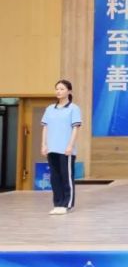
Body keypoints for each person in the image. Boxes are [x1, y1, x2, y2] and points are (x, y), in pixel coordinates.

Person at [40, 80, 81, 215]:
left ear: (69, 91)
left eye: (62, 89)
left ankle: (66, 204)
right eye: (57, 89)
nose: (58, 91)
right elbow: (45, 127)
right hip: (52, 149)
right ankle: (57, 204)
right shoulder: (50, 109)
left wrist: (70, 145)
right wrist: (44, 144)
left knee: (66, 177)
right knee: (55, 178)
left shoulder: (74, 108)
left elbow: (75, 128)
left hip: (66, 150)